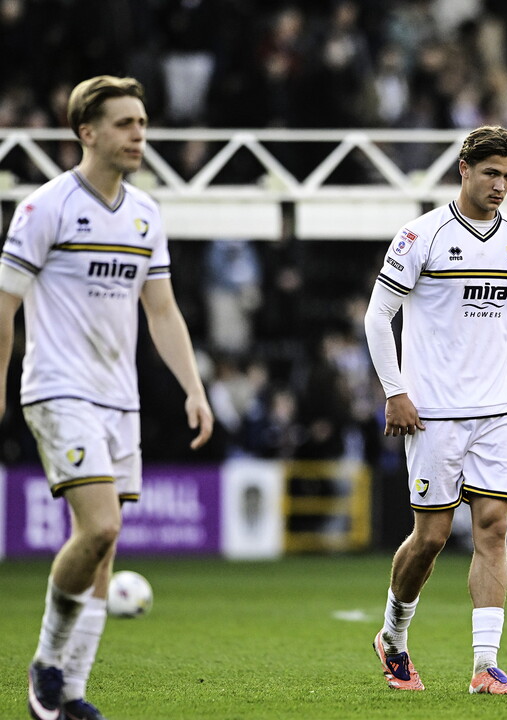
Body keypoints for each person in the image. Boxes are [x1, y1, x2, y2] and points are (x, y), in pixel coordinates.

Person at [0, 76, 214, 720]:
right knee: (101, 525)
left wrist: (194, 388)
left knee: (102, 550)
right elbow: (4, 305)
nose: (138, 134)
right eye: (124, 123)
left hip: (120, 400)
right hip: (58, 388)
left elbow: (164, 310)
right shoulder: (46, 208)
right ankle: (46, 665)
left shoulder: (147, 213)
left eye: (143, 123)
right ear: (85, 132)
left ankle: (69, 693)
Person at [364, 125, 507, 695]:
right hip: (434, 410)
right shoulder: (421, 235)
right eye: (492, 173)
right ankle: (393, 636)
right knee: (432, 536)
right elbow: (377, 317)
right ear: (464, 169)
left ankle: (485, 666)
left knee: (493, 528)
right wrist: (394, 390)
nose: (501, 185)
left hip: (497, 408)